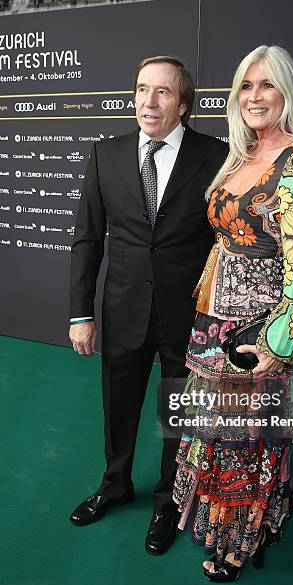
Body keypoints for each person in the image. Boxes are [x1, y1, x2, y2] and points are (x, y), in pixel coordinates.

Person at [171, 44, 293, 581]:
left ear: (288, 93)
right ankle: (264, 511)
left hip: (259, 328)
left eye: (267, 85)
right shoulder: (240, 155)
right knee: (210, 432)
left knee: (243, 439)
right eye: (246, 85)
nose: (255, 96)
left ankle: (242, 534)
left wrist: (278, 343)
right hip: (214, 314)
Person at [68, 55, 228, 556]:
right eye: (141, 90)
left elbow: (225, 240)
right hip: (123, 309)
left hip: (188, 313)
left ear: (183, 104)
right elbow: (87, 240)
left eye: (162, 92)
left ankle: (168, 501)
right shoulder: (105, 155)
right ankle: (115, 483)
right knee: (119, 405)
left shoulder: (216, 156)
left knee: (177, 410)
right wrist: (80, 313)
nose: (148, 101)